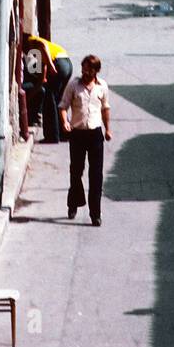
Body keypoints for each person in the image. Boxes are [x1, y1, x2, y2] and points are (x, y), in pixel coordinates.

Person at [60, 54, 111, 226]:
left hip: (95, 134)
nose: (85, 72)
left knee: (96, 175)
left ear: (96, 71)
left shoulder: (102, 86)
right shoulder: (74, 85)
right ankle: (73, 203)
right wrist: (65, 121)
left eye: (89, 69)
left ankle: (95, 213)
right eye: (83, 69)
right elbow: (63, 106)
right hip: (77, 134)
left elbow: (105, 109)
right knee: (76, 172)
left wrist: (108, 129)